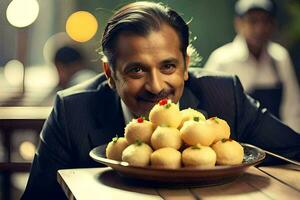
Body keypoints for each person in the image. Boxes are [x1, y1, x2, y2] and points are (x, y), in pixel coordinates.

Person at [22, 1, 300, 199]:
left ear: (186, 65)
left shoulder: (224, 95)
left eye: (168, 66)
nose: (156, 86)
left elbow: (293, 153)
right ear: (109, 73)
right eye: (136, 70)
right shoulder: (72, 111)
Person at [204, 0, 300, 132]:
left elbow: (292, 110)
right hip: (235, 142)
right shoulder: (222, 60)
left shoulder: (280, 57)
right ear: (238, 23)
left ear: (273, 24)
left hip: (275, 142)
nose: (260, 29)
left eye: (265, 21)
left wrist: (292, 143)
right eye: (253, 21)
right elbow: (207, 107)